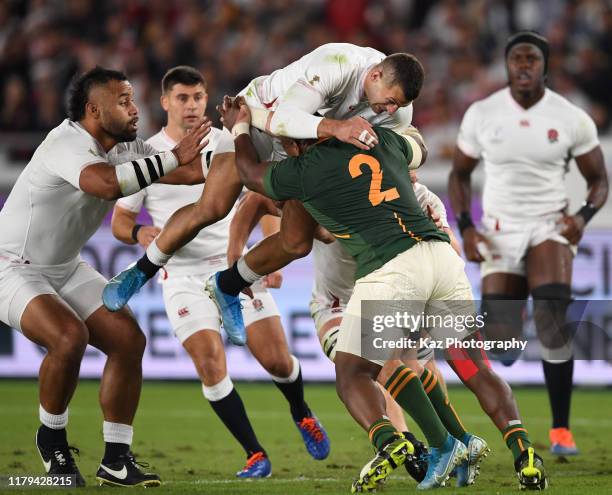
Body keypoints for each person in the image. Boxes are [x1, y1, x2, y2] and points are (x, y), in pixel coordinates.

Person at [217, 96, 476, 492]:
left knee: (420, 371)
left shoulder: (419, 198)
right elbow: (253, 201)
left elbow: (451, 249)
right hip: (338, 301)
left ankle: (451, 442)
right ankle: (413, 445)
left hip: (397, 289)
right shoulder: (314, 177)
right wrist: (236, 256)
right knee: (378, 367)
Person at [102, 44, 427, 326]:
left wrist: (405, 161)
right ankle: (140, 271)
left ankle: (227, 285)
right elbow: (285, 116)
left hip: (305, 146)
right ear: (374, 76)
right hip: (256, 118)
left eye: (398, 105)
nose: (391, 110)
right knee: (214, 206)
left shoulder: (397, 112)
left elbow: (409, 144)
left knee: (298, 243)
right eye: (389, 101)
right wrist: (337, 129)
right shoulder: (338, 62)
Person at [110, 66, 329, 478]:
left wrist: (273, 254)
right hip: (182, 276)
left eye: (197, 98)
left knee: (278, 361)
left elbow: (261, 199)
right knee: (210, 364)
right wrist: (140, 231)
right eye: (182, 98)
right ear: (165, 102)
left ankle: (301, 412)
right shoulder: (148, 155)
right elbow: (120, 221)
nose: (191, 106)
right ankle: (254, 453)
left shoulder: (227, 143)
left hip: (233, 269)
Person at [0, 67, 211, 487]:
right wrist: (173, 156)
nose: (135, 109)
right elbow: (104, 184)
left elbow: (188, 172)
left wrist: (244, 155)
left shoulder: (123, 146)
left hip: (63, 266)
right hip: (11, 265)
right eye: (124, 101)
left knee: (129, 339)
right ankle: (51, 437)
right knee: (68, 336)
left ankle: (116, 458)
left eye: (133, 99)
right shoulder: (66, 142)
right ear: (95, 110)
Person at [449, 31, 608, 457]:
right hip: (499, 229)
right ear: (506, 65)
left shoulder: (570, 116)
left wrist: (582, 217)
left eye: (532, 58)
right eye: (516, 58)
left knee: (554, 321)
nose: (524, 65)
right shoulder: (483, 113)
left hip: (549, 226)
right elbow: (459, 174)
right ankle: (509, 321)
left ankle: (560, 430)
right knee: (501, 348)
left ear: (544, 65)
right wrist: (465, 225)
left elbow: (599, 180)